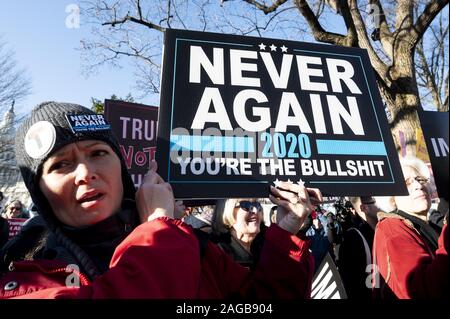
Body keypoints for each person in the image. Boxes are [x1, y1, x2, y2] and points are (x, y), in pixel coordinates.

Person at [0, 101, 321, 299]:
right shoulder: (21, 275)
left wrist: (288, 232)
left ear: (121, 167)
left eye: (98, 153)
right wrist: (157, 227)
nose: (85, 173)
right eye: (61, 165)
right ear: (39, 191)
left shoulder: (191, 246)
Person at [372, 156, 449, 299]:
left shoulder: (432, 224)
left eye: (420, 179)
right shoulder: (391, 227)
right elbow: (421, 289)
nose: (418, 186)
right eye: (406, 183)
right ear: (391, 197)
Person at [338, 196, 382, 299]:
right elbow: (351, 285)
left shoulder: (386, 230)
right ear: (364, 208)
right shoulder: (353, 239)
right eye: (377, 199)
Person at [211, 199, 266, 269]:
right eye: (245, 205)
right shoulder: (217, 252)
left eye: (257, 205)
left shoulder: (267, 245)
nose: (255, 210)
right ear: (227, 210)